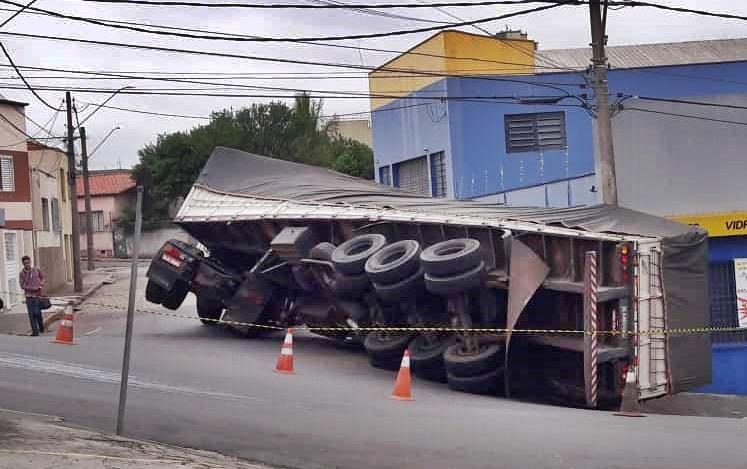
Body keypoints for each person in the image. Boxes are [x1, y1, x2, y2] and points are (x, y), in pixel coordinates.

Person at [19, 256, 45, 336]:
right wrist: (32, 288)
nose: (27, 264)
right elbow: (22, 285)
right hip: (29, 296)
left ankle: (41, 327)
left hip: (38, 295)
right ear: (23, 264)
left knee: (37, 312)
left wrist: (41, 284)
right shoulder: (22, 273)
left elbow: (43, 278)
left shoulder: (36, 270)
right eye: (25, 263)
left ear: (30, 262)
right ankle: (35, 332)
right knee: (31, 314)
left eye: (28, 263)